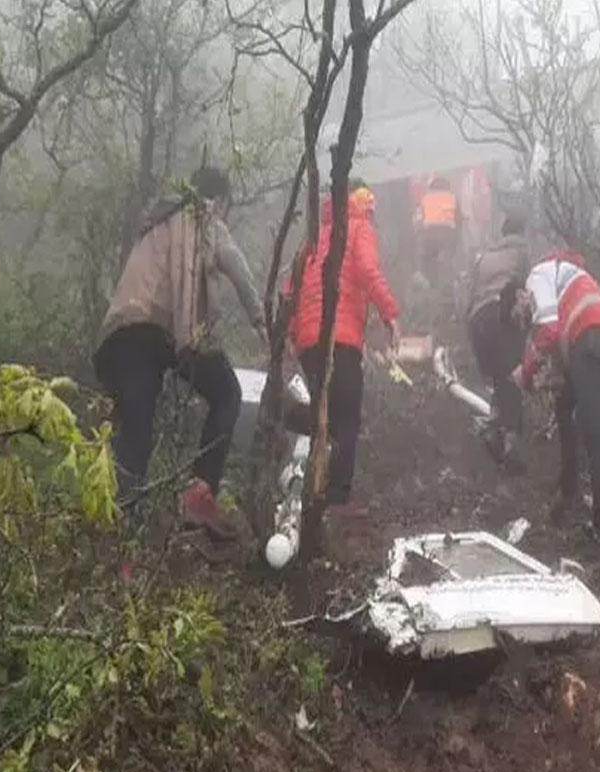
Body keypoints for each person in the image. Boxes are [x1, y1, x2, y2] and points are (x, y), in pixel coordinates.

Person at [94, 166, 264, 539]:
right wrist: (261, 321)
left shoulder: (159, 220)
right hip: (161, 329)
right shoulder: (202, 218)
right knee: (227, 394)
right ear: (217, 200)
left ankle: (117, 537)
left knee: (135, 431)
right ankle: (200, 496)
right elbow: (237, 266)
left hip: (118, 334)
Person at [290, 182, 399, 513]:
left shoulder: (313, 237)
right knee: (346, 416)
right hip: (341, 337)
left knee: (320, 415)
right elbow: (366, 270)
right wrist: (390, 313)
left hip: (309, 341)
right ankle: (337, 497)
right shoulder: (358, 227)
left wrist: (294, 339)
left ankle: (309, 488)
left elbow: (290, 289)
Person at [512, 253, 600, 538]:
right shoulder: (564, 280)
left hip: (587, 334)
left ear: (521, 295)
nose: (525, 318)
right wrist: (548, 378)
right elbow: (559, 346)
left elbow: (548, 330)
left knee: (594, 433)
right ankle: (568, 494)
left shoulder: (536, 276)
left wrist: (526, 373)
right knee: (565, 407)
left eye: (520, 312)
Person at [465, 215, 530, 468]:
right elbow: (527, 288)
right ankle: (511, 443)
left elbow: (470, 294)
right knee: (512, 379)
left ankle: (493, 429)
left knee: (499, 379)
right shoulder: (521, 250)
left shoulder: (485, 256)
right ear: (521, 232)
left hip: (477, 321)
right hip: (499, 314)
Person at [416, 175, 460, 288]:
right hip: (447, 234)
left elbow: (419, 219)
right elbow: (459, 219)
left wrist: (420, 233)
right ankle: (449, 283)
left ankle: (432, 283)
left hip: (429, 235)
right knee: (448, 258)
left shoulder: (425, 198)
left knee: (428, 260)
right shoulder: (452, 197)